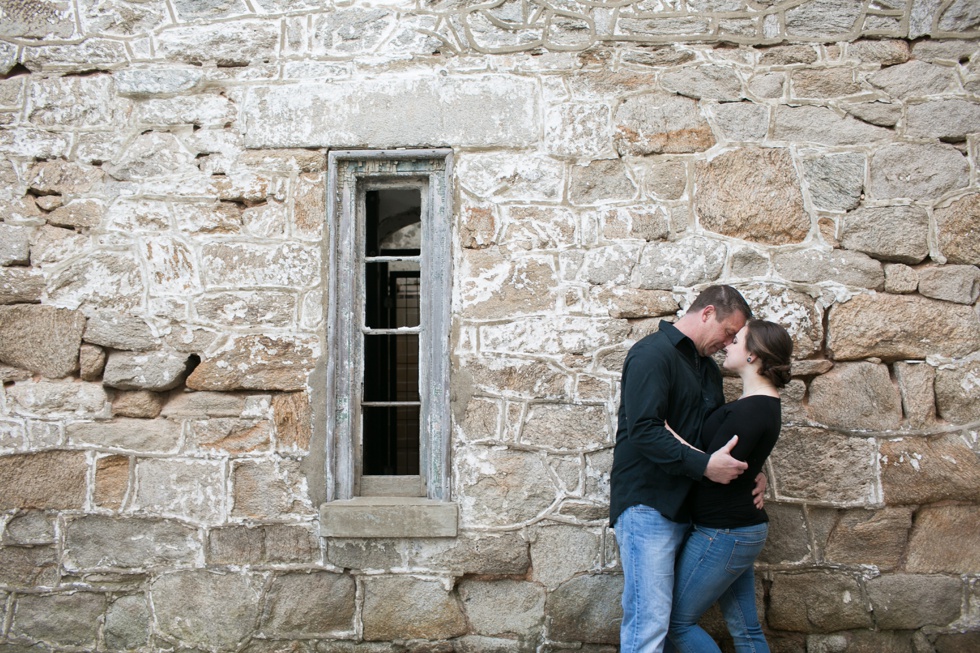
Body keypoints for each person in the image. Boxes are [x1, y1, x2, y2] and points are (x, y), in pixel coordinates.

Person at [610, 285, 758, 653]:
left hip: (691, 509)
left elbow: (714, 434)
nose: (728, 343)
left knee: (671, 622)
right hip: (649, 506)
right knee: (649, 623)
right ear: (707, 313)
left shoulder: (707, 369)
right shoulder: (651, 354)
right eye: (728, 333)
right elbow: (644, 430)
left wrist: (753, 470)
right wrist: (706, 466)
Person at [665, 319, 794, 653]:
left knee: (676, 623)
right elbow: (740, 459)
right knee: (747, 630)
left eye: (736, 341)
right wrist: (756, 472)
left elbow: (712, 465)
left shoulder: (752, 410)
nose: (727, 344)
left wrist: (665, 431)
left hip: (724, 533)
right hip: (738, 530)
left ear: (753, 355)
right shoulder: (761, 405)